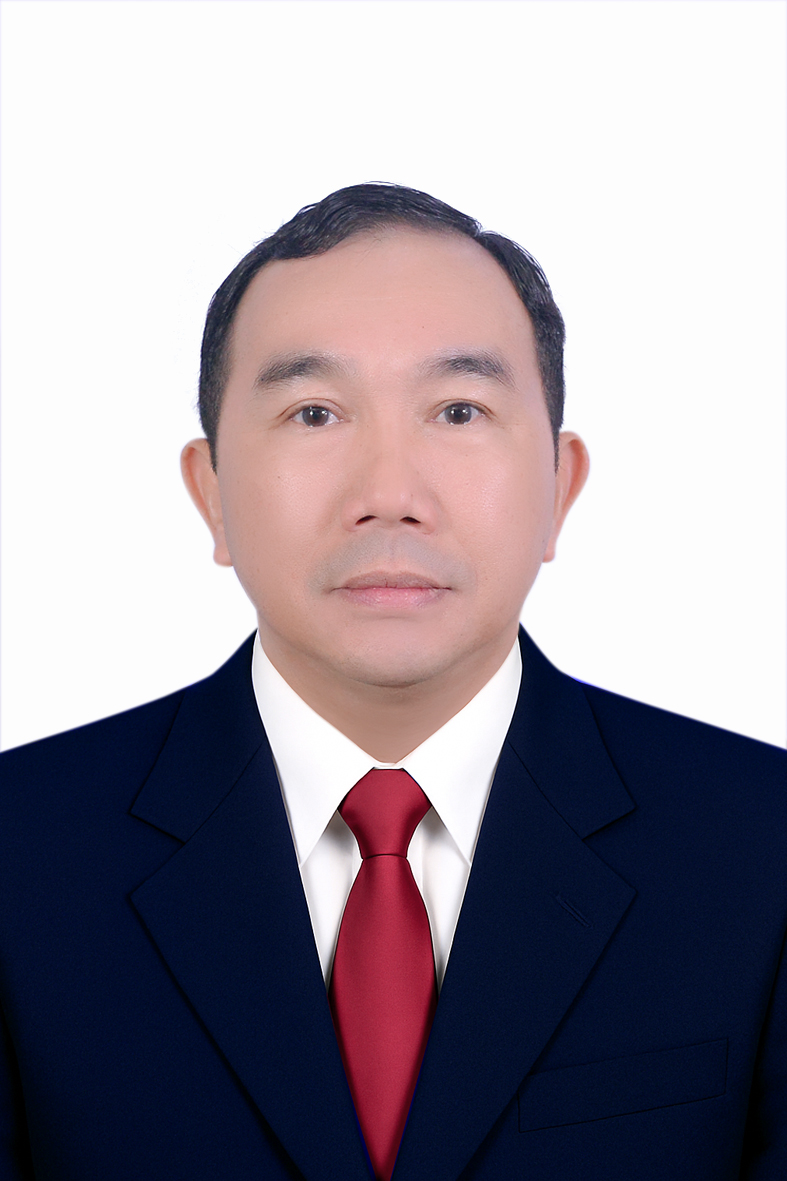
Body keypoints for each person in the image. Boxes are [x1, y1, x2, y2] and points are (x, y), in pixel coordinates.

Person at [0, 183, 785, 1181]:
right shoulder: (20, 852)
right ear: (212, 494)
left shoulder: (762, 847)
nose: (388, 495)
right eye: (313, 412)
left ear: (558, 487)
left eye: (458, 410)